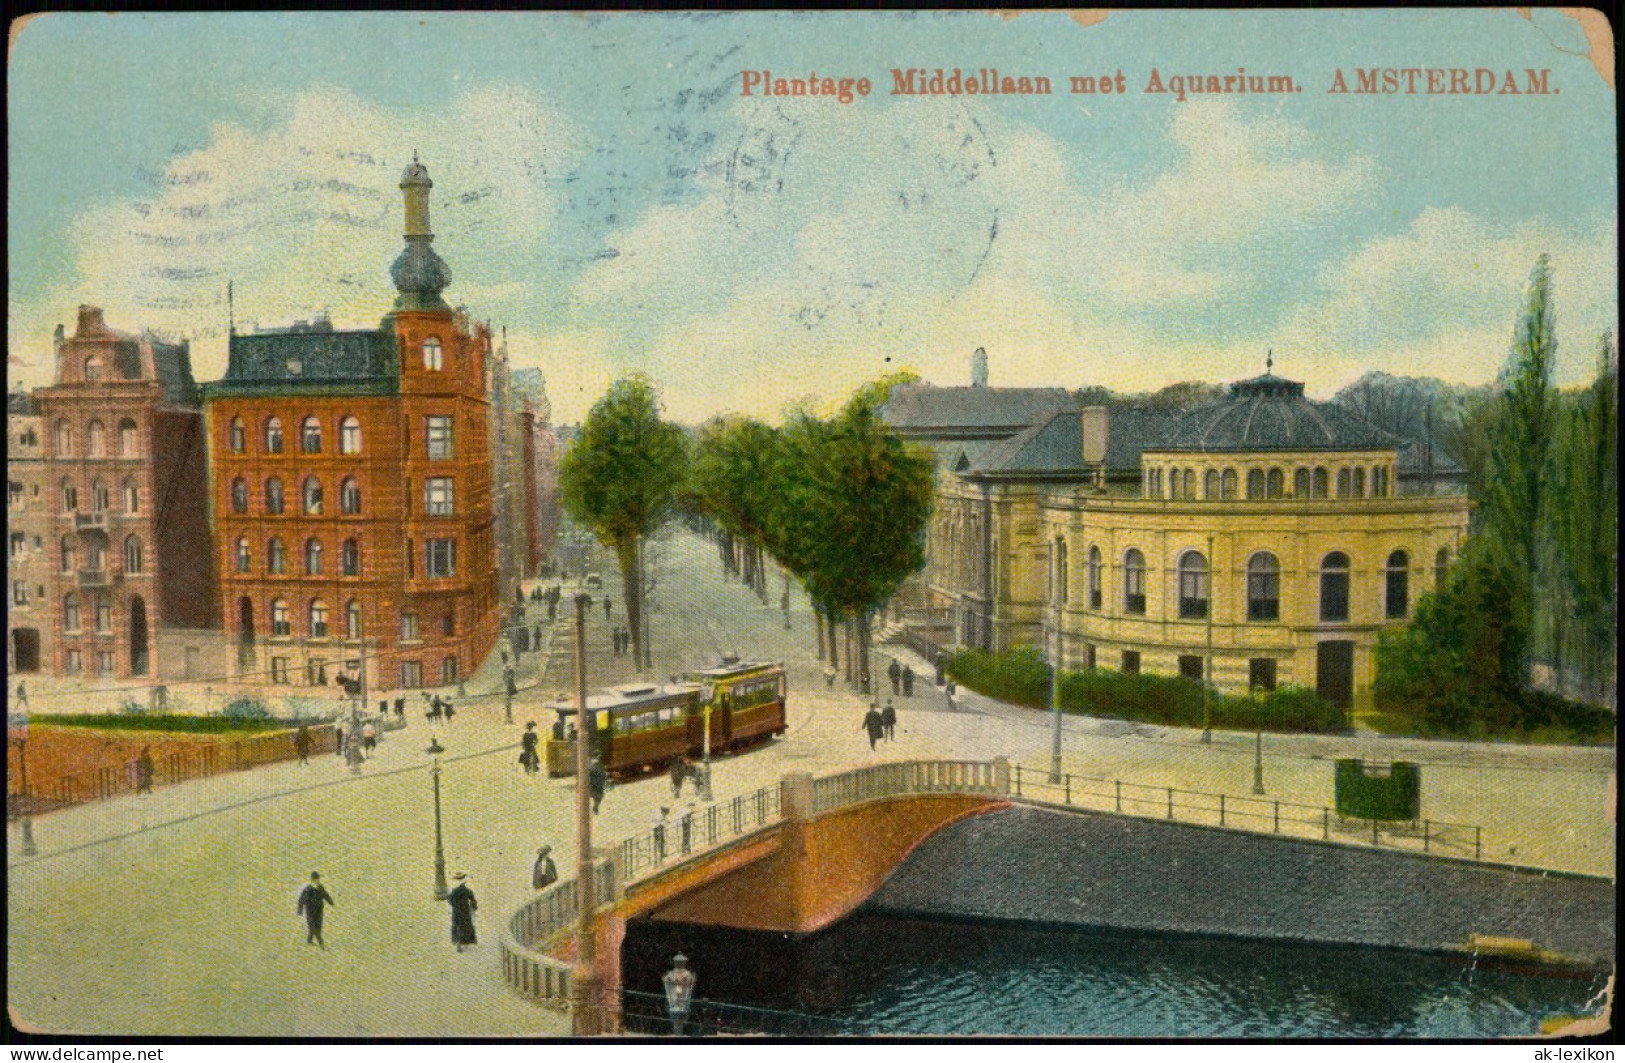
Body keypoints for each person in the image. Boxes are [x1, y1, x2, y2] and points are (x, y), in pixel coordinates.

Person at [297, 872, 335, 949]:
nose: (317, 881)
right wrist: (300, 910)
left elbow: (325, 895)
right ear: (312, 880)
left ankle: (309, 941)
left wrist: (331, 902)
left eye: (318, 879)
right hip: (310, 911)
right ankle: (322, 944)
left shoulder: (321, 887)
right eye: (315, 879)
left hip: (319, 910)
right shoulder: (308, 889)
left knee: (318, 926)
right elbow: (301, 899)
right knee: (313, 927)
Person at [447, 873, 478, 952]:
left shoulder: (453, 891)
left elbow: (450, 900)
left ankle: (458, 942)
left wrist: (454, 906)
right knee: (464, 926)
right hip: (465, 910)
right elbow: (473, 899)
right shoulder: (467, 890)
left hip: (456, 911)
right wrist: (474, 907)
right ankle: (464, 941)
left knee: (456, 925)